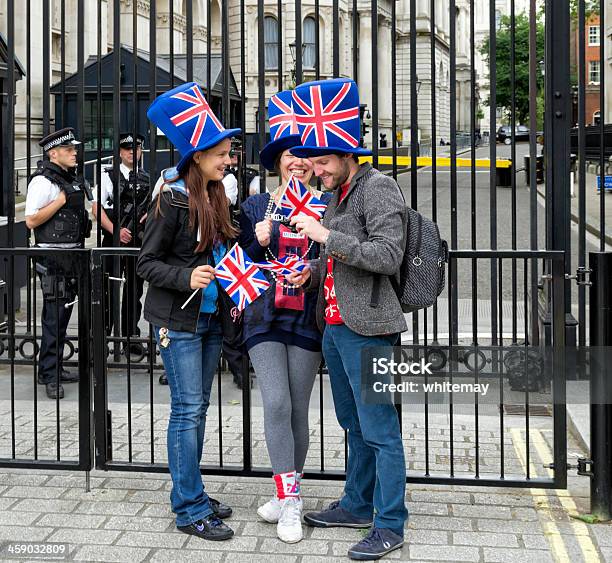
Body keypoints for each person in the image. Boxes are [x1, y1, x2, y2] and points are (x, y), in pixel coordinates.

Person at [286, 78, 408, 561]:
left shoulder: (378, 188)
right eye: (312, 164)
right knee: (353, 423)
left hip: (371, 328)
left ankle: (391, 523)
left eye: (321, 162)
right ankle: (357, 505)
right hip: (335, 327)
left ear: (346, 152)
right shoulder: (341, 194)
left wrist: (322, 237)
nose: (315, 172)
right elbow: (339, 262)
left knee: (381, 429)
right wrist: (310, 273)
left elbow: (387, 255)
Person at [138, 82, 240, 541]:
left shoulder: (215, 195)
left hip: (207, 320)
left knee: (196, 410)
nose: (229, 159)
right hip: (176, 322)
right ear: (197, 156)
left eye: (230, 152)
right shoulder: (171, 199)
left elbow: (220, 253)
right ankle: (189, 507)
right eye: (222, 153)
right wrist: (188, 277)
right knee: (187, 410)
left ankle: (191, 489)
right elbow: (147, 264)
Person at [239, 90, 331, 543]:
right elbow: (241, 260)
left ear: (315, 164)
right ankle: (290, 500)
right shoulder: (255, 206)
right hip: (263, 315)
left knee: (297, 408)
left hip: (306, 316)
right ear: (277, 162)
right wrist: (257, 240)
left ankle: (286, 489)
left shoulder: (327, 207)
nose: (297, 161)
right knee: (275, 403)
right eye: (289, 155)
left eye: (305, 155)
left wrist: (311, 273)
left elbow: (332, 260)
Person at [25, 127, 92, 399]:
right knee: (54, 318)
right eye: (69, 149)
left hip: (72, 255)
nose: (74, 152)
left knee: (63, 316)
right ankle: (50, 376)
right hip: (52, 257)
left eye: (74, 149)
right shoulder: (43, 182)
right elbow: (31, 220)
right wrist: (60, 200)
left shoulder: (68, 178)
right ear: (54, 153)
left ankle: (52, 368)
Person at [92, 133, 150, 352]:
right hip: (113, 239)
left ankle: (130, 337)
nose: (131, 153)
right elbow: (96, 207)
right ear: (119, 152)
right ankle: (103, 337)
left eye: (135, 149)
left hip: (137, 240)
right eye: (127, 149)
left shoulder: (145, 176)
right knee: (107, 287)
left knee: (134, 290)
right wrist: (116, 231)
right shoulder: (108, 173)